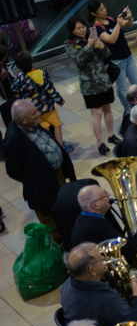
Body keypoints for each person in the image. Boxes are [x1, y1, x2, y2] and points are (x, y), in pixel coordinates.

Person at [72, 184, 137, 293]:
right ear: (96, 205)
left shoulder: (85, 217)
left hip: (100, 268)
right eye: (104, 196)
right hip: (104, 278)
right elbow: (131, 249)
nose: (109, 195)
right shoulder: (96, 227)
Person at [5, 100, 76, 240]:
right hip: (42, 189)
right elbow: (12, 170)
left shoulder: (32, 124)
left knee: (62, 211)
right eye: (34, 113)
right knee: (52, 225)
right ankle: (59, 252)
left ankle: (68, 240)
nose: (39, 114)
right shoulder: (13, 140)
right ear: (23, 120)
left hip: (57, 176)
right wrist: (35, 178)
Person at [64, 16, 116, 156]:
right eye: (78, 28)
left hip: (103, 79)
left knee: (108, 108)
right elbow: (78, 61)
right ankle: (100, 143)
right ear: (72, 30)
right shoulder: (70, 43)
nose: (82, 30)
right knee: (96, 114)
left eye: (83, 27)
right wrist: (88, 46)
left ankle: (111, 135)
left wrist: (101, 46)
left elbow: (108, 54)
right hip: (90, 84)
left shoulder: (93, 35)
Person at [88, 0, 137, 119]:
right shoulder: (94, 29)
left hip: (128, 57)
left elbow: (128, 25)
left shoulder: (111, 19)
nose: (104, 11)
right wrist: (118, 24)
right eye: (101, 10)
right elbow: (111, 39)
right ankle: (128, 109)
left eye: (104, 7)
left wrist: (129, 17)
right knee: (121, 88)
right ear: (94, 13)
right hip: (116, 61)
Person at [11, 51, 68, 150]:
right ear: (31, 61)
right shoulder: (41, 74)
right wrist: (59, 100)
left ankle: (50, 148)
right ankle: (61, 148)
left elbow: (15, 92)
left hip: (33, 110)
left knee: (45, 128)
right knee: (57, 125)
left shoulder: (17, 78)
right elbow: (50, 90)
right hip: (48, 107)